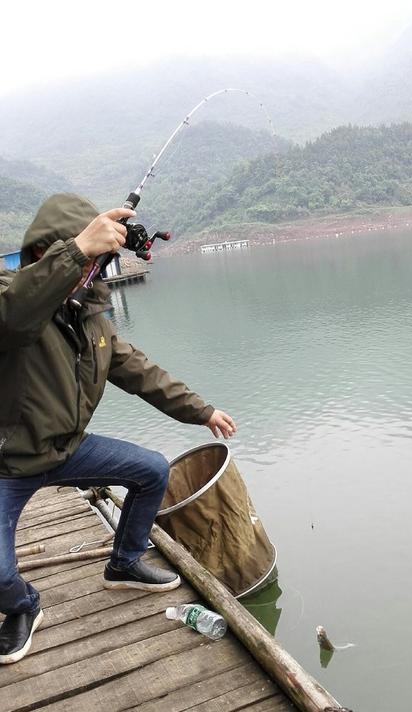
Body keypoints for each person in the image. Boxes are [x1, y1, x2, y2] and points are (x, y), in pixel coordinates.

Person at [0, 193, 236, 664]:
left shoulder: (91, 319)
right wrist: (76, 250)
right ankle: (24, 606)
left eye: (93, 262)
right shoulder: (10, 298)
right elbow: (14, 316)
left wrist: (202, 411)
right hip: (7, 463)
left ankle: (124, 563)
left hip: (67, 450)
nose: (86, 271)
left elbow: (142, 373)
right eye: (76, 257)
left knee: (151, 470)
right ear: (41, 255)